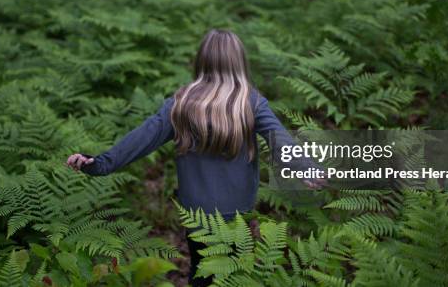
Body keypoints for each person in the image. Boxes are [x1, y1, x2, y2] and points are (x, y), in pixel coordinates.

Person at [66, 29, 326, 286]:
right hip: (238, 213)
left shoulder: (181, 103)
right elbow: (279, 139)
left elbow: (140, 139)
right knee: (234, 276)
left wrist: (99, 164)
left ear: (201, 60)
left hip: (197, 215)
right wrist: (306, 168)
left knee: (202, 271)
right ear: (239, 62)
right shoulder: (251, 103)